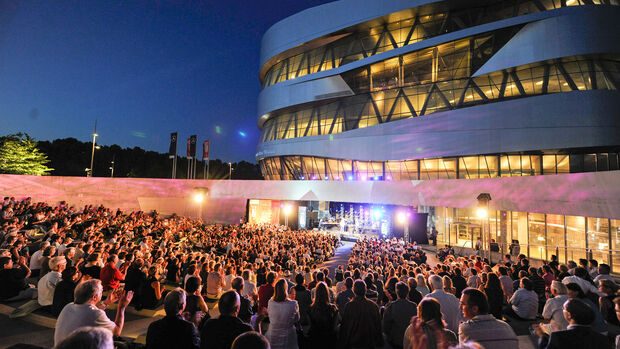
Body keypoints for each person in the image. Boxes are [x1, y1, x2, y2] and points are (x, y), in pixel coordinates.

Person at [54, 279, 133, 346]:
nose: (102, 294)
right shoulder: (96, 314)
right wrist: (122, 307)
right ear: (94, 297)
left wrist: (106, 303)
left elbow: (90, 313)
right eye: (101, 291)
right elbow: (117, 331)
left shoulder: (68, 306)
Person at [534, 298, 611, 349]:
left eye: (564, 309)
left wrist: (541, 337)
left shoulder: (558, 337)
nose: (562, 310)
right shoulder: (602, 339)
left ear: (569, 315)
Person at [339, 279, 383, 349]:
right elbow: (378, 326)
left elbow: (345, 326)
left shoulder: (349, 306)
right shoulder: (373, 306)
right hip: (369, 343)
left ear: (354, 291)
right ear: (365, 290)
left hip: (354, 343)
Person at [266, 279, 300, 349]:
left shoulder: (270, 302)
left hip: (272, 336)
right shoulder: (293, 303)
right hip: (288, 337)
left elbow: (270, 316)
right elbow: (297, 319)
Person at [383, 281, 418, 349]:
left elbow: (385, 327)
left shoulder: (390, 306)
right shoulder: (413, 306)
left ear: (396, 292)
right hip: (410, 340)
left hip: (395, 341)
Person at [307, 282, 339, 348]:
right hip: (329, 340)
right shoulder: (333, 308)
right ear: (327, 293)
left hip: (315, 340)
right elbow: (335, 326)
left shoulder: (311, 309)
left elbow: (310, 326)